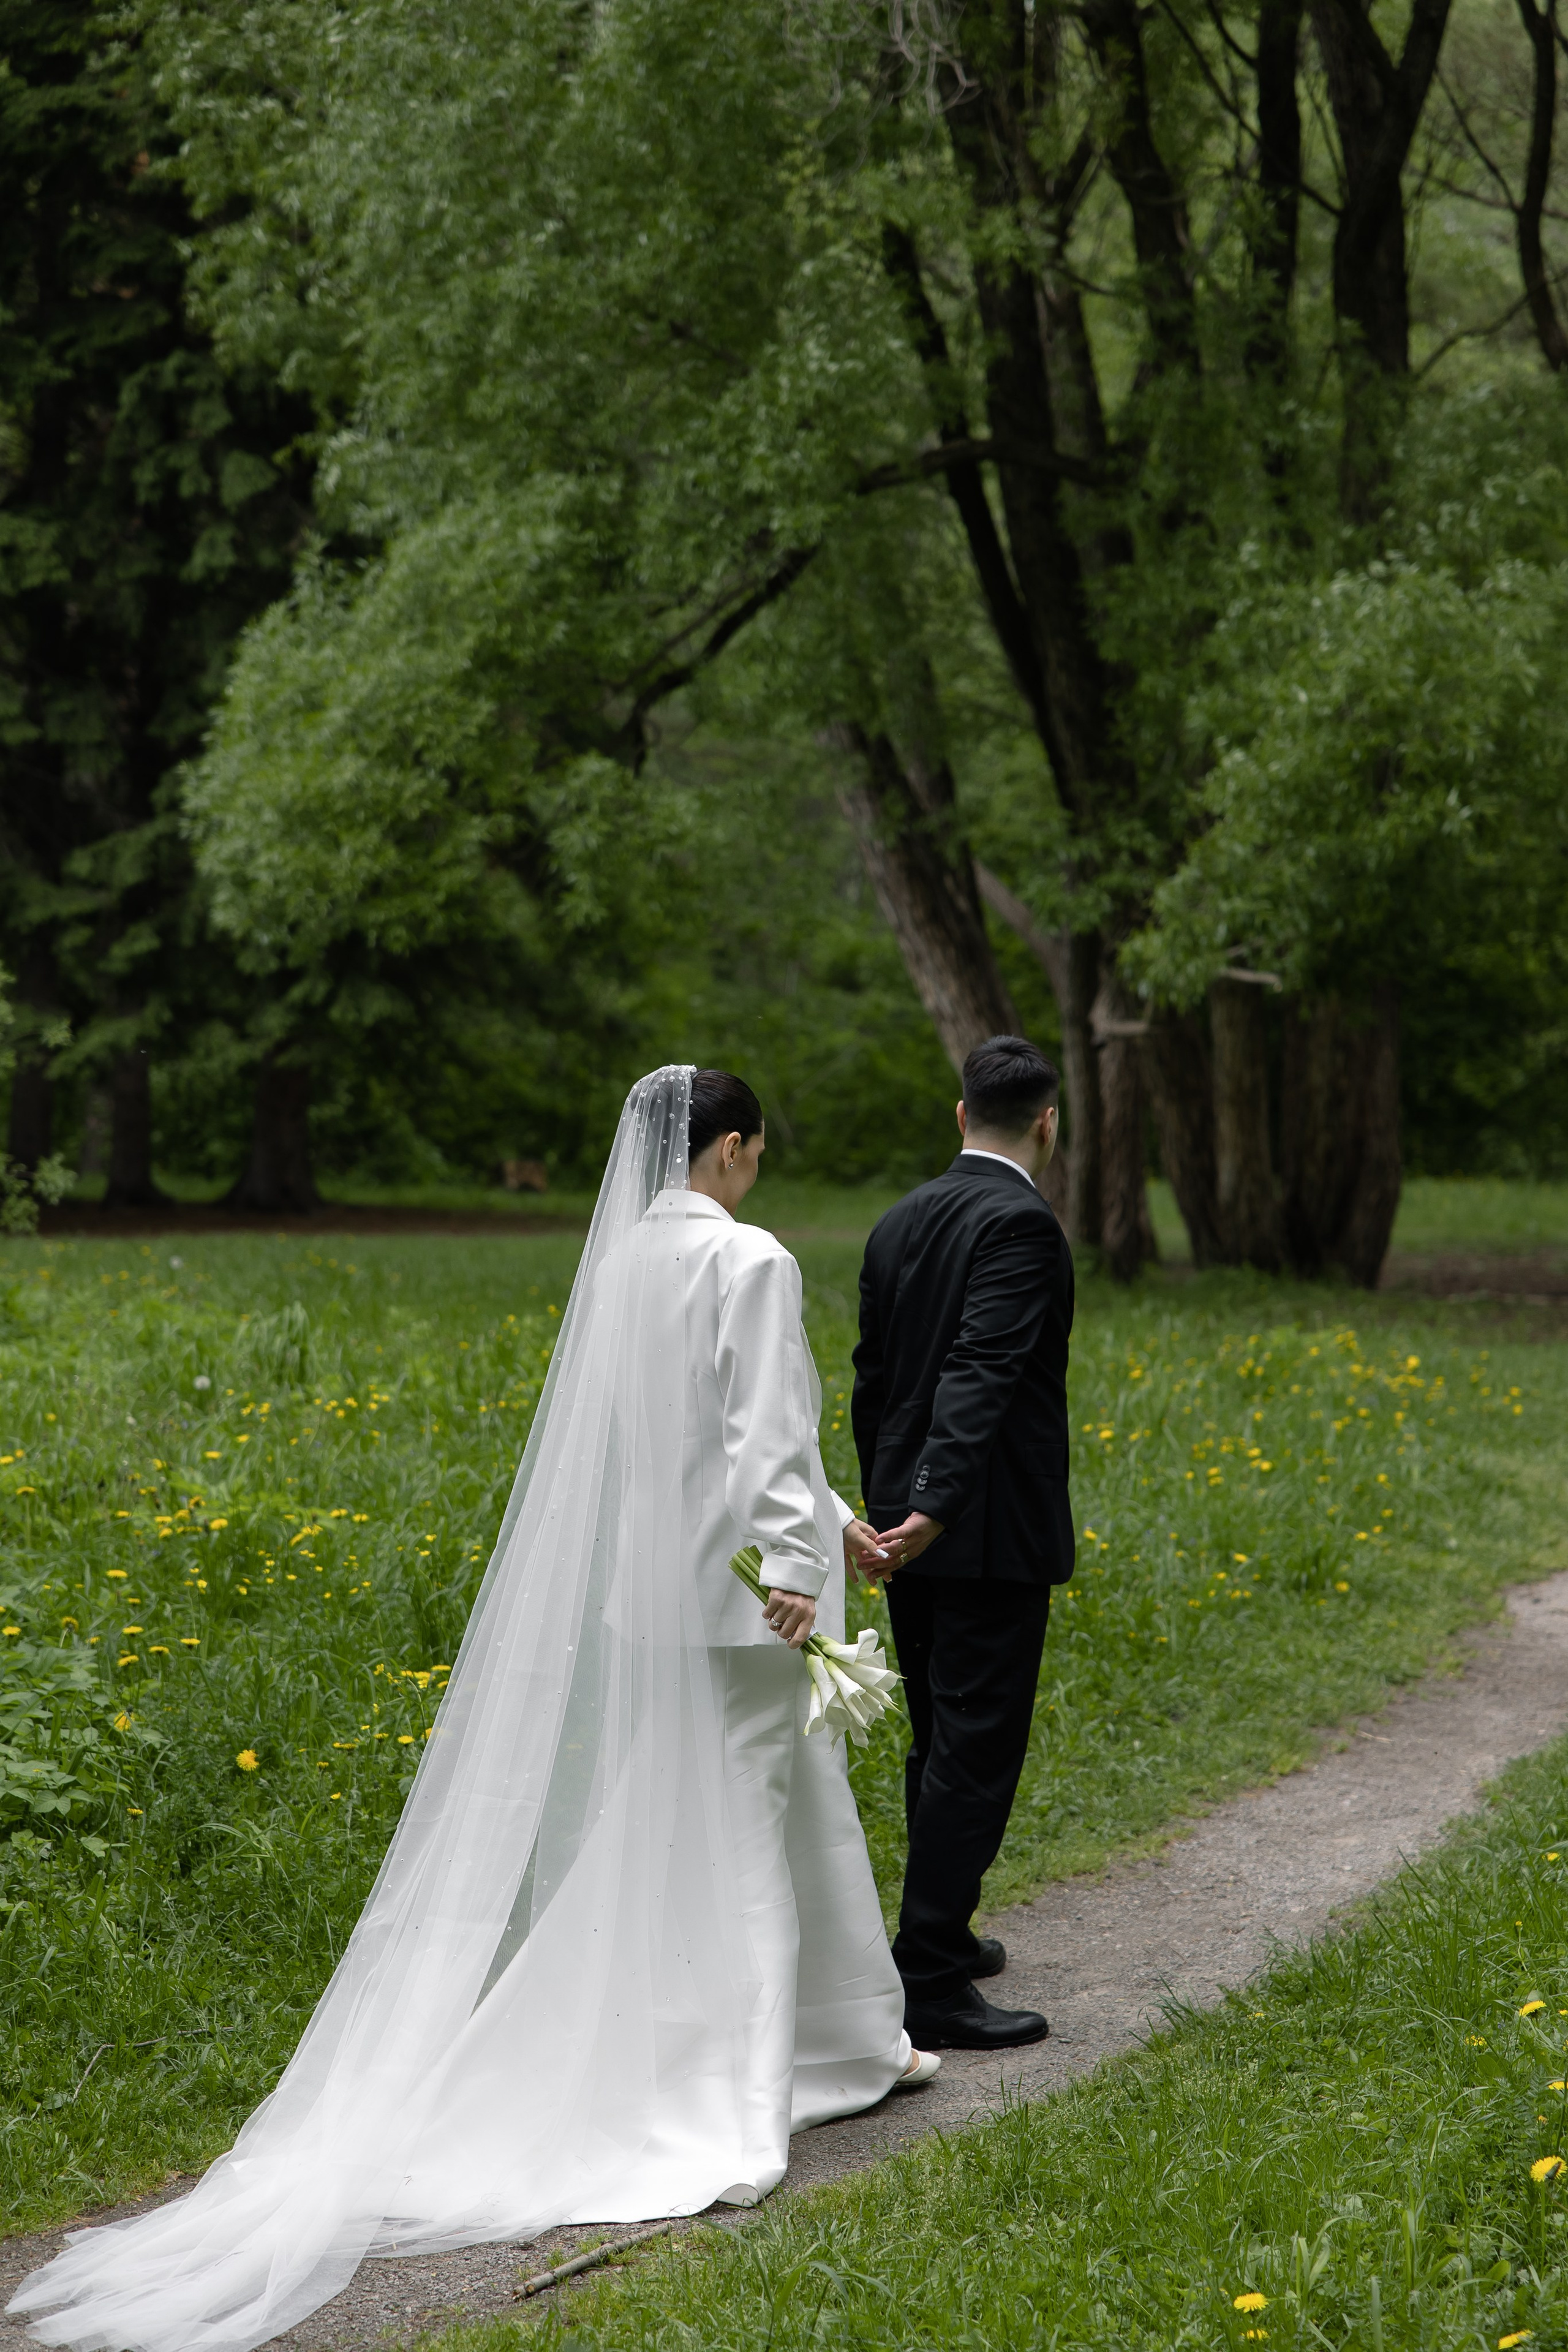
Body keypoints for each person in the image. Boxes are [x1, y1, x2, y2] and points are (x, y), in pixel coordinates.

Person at [12, 1066, 935, 2352]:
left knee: (762, 1805)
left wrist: (827, 1529)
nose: (755, 1172)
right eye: (755, 1152)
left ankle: (850, 2033)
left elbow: (681, 1443)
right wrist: (795, 1568)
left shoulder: (619, 1269)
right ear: (728, 1148)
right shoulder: (752, 1261)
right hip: (740, 1605)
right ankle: (742, 2076)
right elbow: (762, 1432)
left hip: (655, 1592)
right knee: (744, 1816)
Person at [853, 1035, 1074, 2051]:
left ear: (959, 1116)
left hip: (905, 1519)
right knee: (975, 1748)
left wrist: (888, 1505)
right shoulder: (1022, 1223)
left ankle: (944, 1928)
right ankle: (932, 1975)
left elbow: (873, 1382)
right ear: (1047, 1122)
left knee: (939, 1738)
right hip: (975, 1528)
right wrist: (937, 1506)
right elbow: (981, 1369)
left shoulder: (901, 1218)